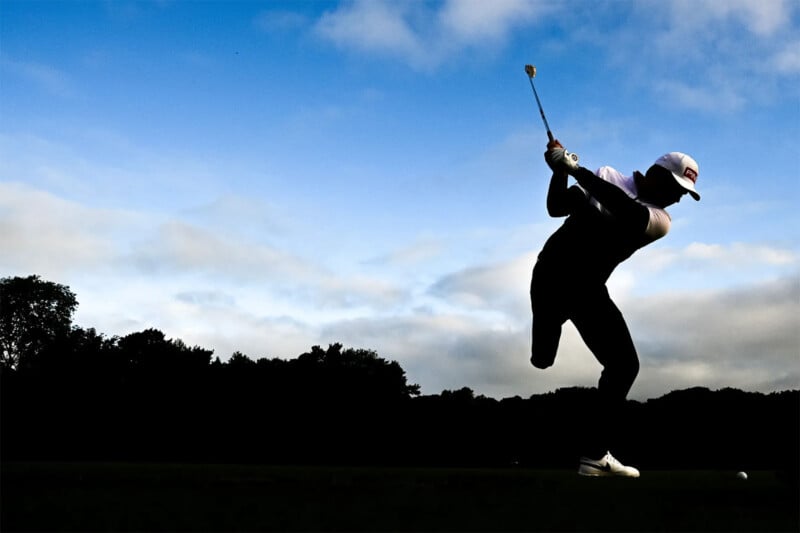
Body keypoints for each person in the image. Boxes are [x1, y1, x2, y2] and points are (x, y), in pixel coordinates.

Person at [530, 139, 700, 477]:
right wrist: (559, 173)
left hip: (588, 288)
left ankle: (594, 456)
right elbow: (556, 207)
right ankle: (549, 333)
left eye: (685, 193)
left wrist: (575, 171)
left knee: (624, 366)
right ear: (655, 173)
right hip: (550, 274)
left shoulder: (660, 220)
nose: (679, 197)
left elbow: (626, 213)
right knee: (542, 360)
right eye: (676, 186)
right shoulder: (608, 174)